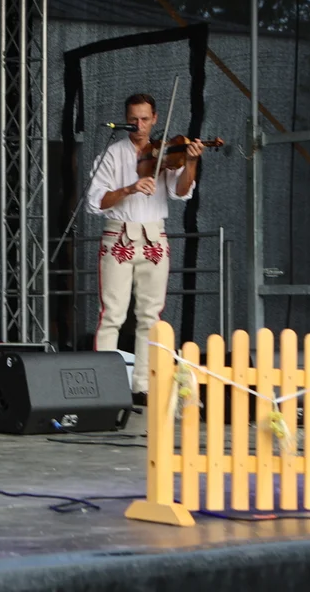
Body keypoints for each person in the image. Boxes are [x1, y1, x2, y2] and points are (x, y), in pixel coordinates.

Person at [86, 93, 204, 405]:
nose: (138, 125)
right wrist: (129, 188)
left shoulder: (166, 152)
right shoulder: (112, 154)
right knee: (112, 313)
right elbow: (96, 201)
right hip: (120, 235)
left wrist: (190, 161)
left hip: (154, 237)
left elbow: (181, 191)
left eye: (145, 119)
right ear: (126, 119)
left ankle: (143, 385)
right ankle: (105, 385)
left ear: (155, 119)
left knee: (150, 315)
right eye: (133, 119)